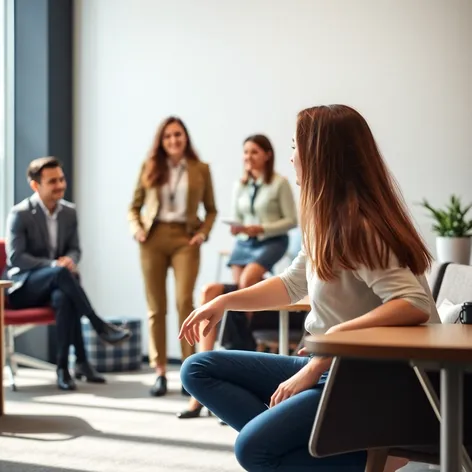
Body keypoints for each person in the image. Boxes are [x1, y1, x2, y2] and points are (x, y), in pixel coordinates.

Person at [178, 104, 441, 471]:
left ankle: (371, 457)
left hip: (365, 377)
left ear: (321, 155)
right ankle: (344, 452)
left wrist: (323, 354)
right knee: (198, 368)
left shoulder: (360, 227)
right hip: (333, 366)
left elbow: (413, 304)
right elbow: (291, 283)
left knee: (253, 450)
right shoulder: (324, 219)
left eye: (295, 146)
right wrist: (222, 303)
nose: (291, 157)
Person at [177, 134, 297, 419]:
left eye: (254, 152)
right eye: (245, 152)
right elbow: (235, 214)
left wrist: (260, 229)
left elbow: (291, 221)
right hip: (243, 244)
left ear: (267, 154)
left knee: (246, 283)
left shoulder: (278, 183)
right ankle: (200, 389)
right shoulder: (240, 184)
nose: (248, 157)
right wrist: (239, 228)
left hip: (270, 241)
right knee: (209, 292)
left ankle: (241, 346)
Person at [4, 157, 131, 391]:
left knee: (64, 295)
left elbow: (75, 248)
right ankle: (97, 328)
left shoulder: (69, 213)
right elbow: (16, 258)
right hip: (23, 287)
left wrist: (70, 260)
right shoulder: (19, 214)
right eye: (52, 181)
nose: (60, 185)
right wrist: (54, 265)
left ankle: (64, 367)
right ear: (35, 185)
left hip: (57, 286)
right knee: (62, 274)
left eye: (61, 179)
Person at [128, 116, 217, 397]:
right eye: (168, 136)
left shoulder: (200, 169)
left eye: (178, 135)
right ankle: (160, 372)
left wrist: (203, 233)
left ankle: (188, 371)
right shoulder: (149, 166)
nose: (173, 140)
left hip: (184, 239)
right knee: (156, 306)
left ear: (185, 138)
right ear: (161, 141)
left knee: (183, 303)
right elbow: (134, 206)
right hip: (152, 239)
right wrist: (137, 229)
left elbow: (211, 209)